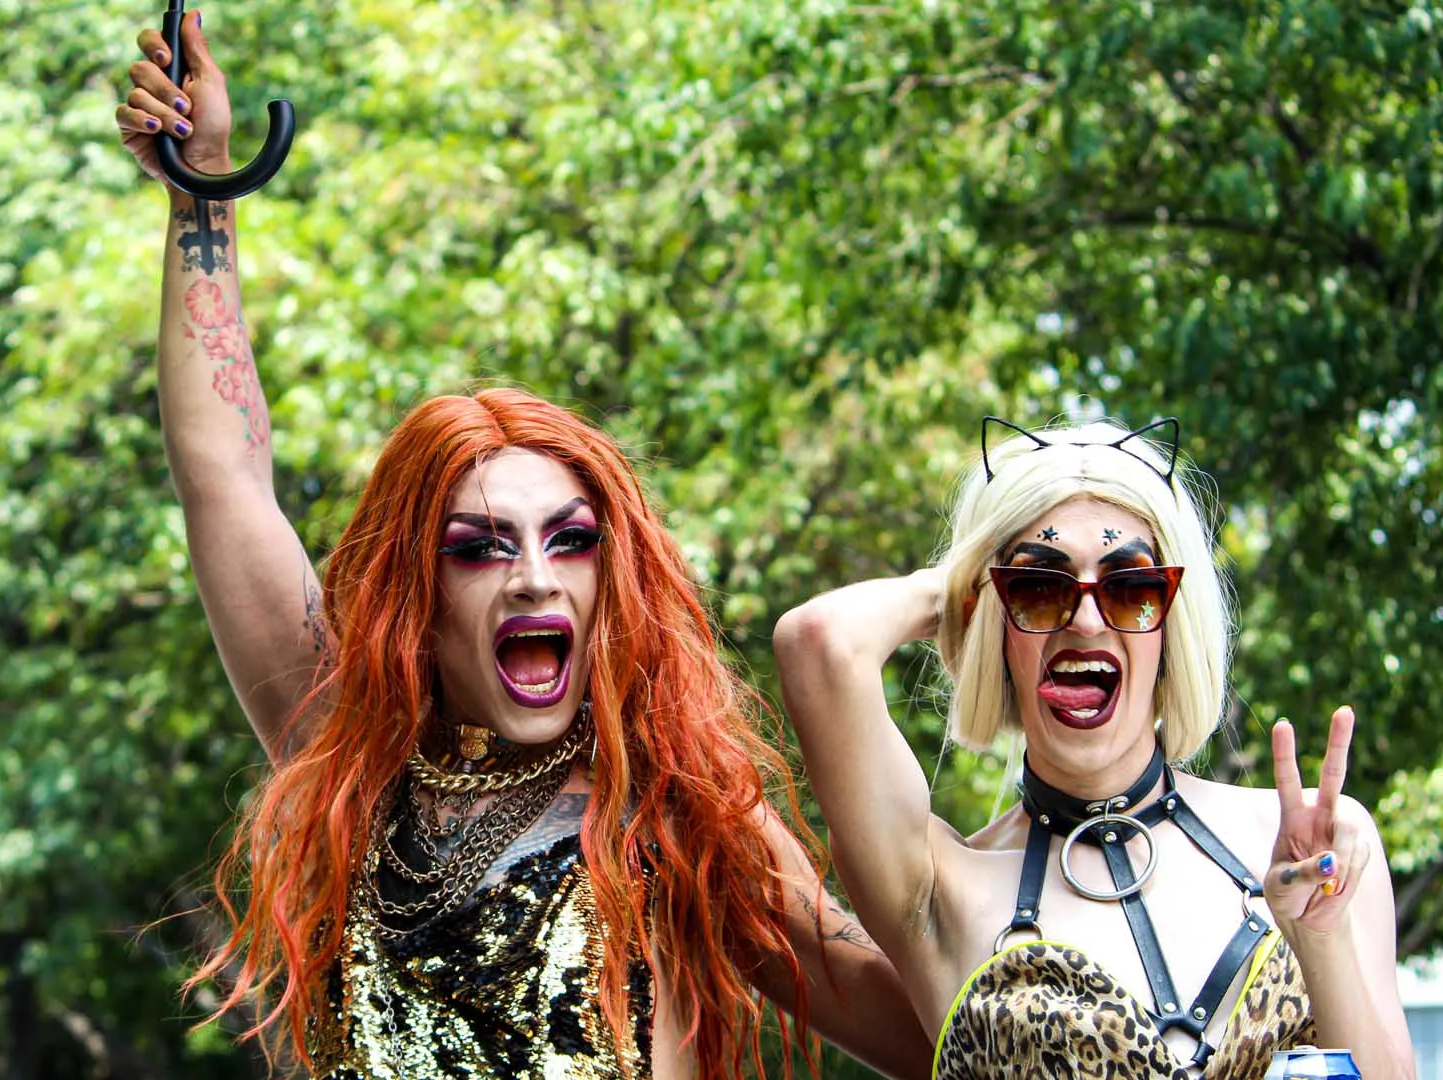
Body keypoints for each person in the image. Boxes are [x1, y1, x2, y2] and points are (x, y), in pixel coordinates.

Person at [111, 12, 928, 1078]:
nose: (535, 577)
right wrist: (203, 188)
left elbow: (926, 1032)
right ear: (418, 596)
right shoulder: (348, 762)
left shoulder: (672, 809)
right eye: (480, 548)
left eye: (570, 539)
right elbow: (223, 476)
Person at [774, 417, 1418, 1080]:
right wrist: (972, 580)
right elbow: (821, 641)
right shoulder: (939, 887)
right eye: (1040, 589)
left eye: (1132, 590)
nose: (1085, 622)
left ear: (1173, 625)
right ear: (993, 619)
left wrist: (1320, 937)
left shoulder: (1311, 843)